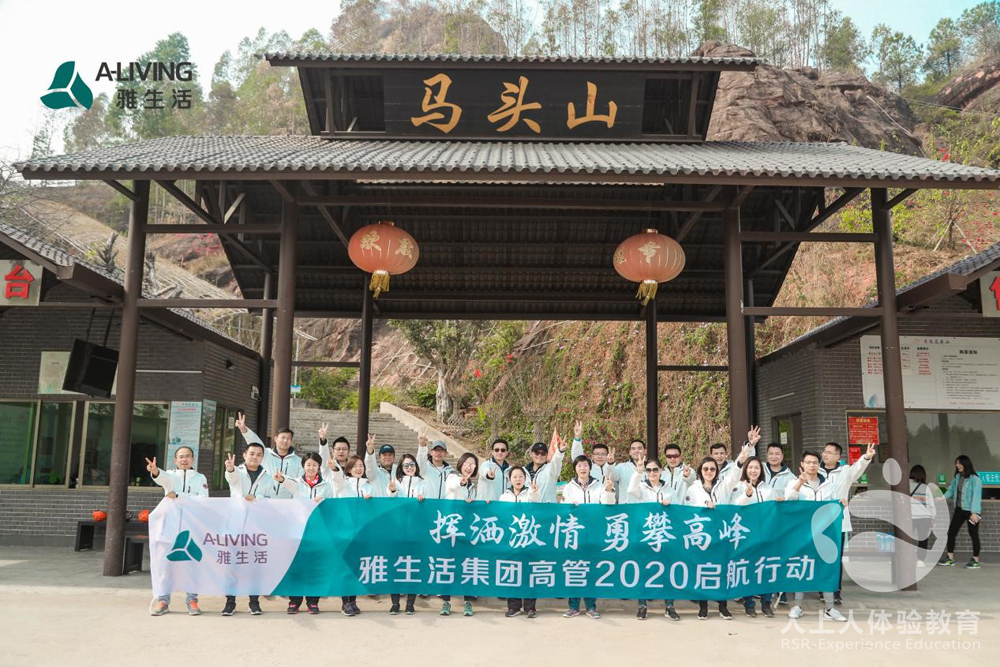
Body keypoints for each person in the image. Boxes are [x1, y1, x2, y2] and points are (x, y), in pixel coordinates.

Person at [785, 444, 875, 622]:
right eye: (808, 462)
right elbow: (789, 500)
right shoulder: (794, 482)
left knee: (828, 565)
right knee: (803, 565)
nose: (811, 465)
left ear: (818, 464)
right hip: (803, 533)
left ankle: (830, 607)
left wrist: (841, 504)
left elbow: (835, 502)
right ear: (802, 464)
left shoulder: (828, 485)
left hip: (825, 533)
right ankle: (797, 605)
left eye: (814, 462)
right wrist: (799, 483)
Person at [146, 447, 208, 616]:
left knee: (192, 564)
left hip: (191, 526)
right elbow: (161, 478)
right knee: (166, 564)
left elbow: (203, 499)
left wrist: (179, 496)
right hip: (170, 525)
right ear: (175, 460)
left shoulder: (200, 478)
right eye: (181, 457)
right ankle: (163, 601)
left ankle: (192, 600)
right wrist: (155, 471)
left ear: (193, 459)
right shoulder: (170, 476)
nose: (184, 459)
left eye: (187, 456)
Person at [272, 453, 334, 615]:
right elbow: (286, 482)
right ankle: (295, 601)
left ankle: (313, 602)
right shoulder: (298, 483)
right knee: (297, 566)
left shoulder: (326, 486)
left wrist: (324, 502)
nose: (311, 468)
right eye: (308, 465)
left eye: (314, 465)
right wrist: (280, 479)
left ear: (319, 467)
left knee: (314, 567)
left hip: (317, 532)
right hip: (298, 531)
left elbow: (332, 506)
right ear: (303, 466)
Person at [222, 443, 275, 616]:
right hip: (236, 525)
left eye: (259, 454)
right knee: (232, 564)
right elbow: (231, 479)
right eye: (252, 453)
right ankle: (230, 602)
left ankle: (254, 602)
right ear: (244, 455)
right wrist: (230, 469)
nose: (255, 457)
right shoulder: (237, 472)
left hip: (256, 526)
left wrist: (257, 498)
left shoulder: (268, 477)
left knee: (254, 565)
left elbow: (270, 499)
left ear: (262, 458)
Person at [561, 455, 616, 619]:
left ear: (590, 468)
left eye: (585, 465)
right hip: (575, 535)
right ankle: (573, 606)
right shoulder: (568, 487)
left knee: (591, 569)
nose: (582, 468)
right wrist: (571, 508)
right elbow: (564, 509)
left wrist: (609, 490)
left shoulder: (599, 485)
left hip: (594, 534)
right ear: (575, 469)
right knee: (574, 568)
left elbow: (608, 505)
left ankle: (591, 606)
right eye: (579, 466)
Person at [628, 457, 681, 621]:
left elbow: (678, 508)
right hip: (646, 535)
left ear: (661, 471)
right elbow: (631, 490)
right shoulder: (641, 487)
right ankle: (642, 606)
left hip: (664, 535)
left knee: (666, 570)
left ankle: (669, 606)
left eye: (655, 470)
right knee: (644, 570)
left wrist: (670, 504)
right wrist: (638, 472)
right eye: (649, 470)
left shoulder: (669, 488)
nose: (652, 473)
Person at [734, 456, 775, 618]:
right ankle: (749, 604)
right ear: (745, 469)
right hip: (746, 535)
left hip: (766, 534)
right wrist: (747, 495)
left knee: (766, 568)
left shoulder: (768, 488)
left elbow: (773, 510)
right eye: (750, 467)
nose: (753, 470)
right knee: (748, 569)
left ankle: (766, 603)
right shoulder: (738, 486)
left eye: (756, 467)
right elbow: (735, 507)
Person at [385, 454, 425, 615]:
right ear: (401, 468)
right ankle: (395, 603)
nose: (409, 468)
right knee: (396, 566)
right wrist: (392, 490)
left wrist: (423, 500)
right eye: (406, 465)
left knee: (413, 567)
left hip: (416, 533)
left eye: (412, 464)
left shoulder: (423, 483)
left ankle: (410, 603)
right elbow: (390, 496)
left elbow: (430, 504)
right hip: (397, 531)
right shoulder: (396, 482)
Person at [442, 452, 479, 616]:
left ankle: (467, 601)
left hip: (466, 530)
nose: (469, 467)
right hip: (451, 530)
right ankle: (446, 601)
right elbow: (453, 486)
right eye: (466, 463)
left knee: (467, 565)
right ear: (460, 464)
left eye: (472, 464)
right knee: (448, 565)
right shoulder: (452, 477)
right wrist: (461, 481)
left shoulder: (473, 487)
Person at [500, 466, 540, 617]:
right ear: (510, 479)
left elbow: (535, 504)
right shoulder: (504, 497)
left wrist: (534, 493)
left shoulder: (530, 493)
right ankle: (514, 607)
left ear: (525, 479)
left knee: (529, 573)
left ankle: (530, 607)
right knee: (512, 572)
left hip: (528, 538)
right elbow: (500, 516)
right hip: (511, 541)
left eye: (521, 476)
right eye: (515, 477)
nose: (518, 479)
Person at [235, 413, 304, 499]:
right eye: (282, 437)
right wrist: (244, 430)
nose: (285, 441)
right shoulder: (266, 454)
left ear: (291, 441)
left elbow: (299, 484)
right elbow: (254, 441)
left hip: (287, 502)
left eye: (288, 438)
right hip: (265, 500)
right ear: (276, 439)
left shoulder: (298, 461)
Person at [939, 455, 983, 569]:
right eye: (956, 463)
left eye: (959, 463)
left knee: (973, 534)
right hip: (959, 509)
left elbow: (976, 496)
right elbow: (951, 490)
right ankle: (950, 558)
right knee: (951, 532)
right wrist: (942, 498)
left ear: (965, 464)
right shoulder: (958, 477)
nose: (957, 465)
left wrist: (974, 512)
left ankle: (975, 560)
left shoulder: (975, 479)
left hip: (971, 511)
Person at [570, 420, 619, 486]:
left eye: (603, 454)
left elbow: (615, 478)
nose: (600, 456)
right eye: (597, 454)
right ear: (592, 455)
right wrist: (577, 437)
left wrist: (610, 464)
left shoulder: (611, 467)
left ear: (607, 455)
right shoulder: (588, 467)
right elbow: (577, 458)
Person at [908, 464, 936, 568]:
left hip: (910, 517)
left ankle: (906, 558)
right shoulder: (926, 487)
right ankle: (920, 560)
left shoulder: (905, 486)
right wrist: (933, 518)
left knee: (906, 539)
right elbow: (931, 505)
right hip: (925, 517)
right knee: (923, 539)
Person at [416, 430, 455, 500]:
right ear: (431, 452)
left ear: (445, 453)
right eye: (436, 450)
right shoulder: (424, 467)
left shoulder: (450, 471)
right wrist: (422, 445)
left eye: (441, 450)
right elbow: (420, 460)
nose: (438, 453)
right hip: (427, 504)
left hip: (443, 505)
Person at [524, 439, 566, 503]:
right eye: (537, 453)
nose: (540, 455)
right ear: (531, 454)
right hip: (527, 508)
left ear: (546, 455)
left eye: (543, 453)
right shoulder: (522, 471)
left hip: (547, 508)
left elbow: (556, 461)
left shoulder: (551, 469)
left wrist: (560, 451)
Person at [362, 432, 396, 498]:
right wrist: (370, 450)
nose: (387, 457)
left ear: (394, 457)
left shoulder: (399, 471)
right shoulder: (375, 473)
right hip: (379, 504)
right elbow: (370, 466)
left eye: (390, 455)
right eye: (384, 455)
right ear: (379, 457)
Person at [615, 438, 648, 504]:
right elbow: (612, 476)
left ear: (645, 451)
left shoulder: (651, 468)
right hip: (627, 507)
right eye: (633, 449)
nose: (636, 451)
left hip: (645, 507)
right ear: (630, 452)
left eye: (639, 448)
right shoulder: (621, 467)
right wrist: (610, 464)